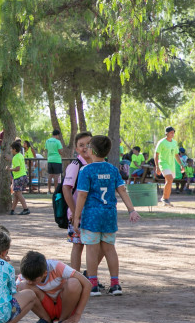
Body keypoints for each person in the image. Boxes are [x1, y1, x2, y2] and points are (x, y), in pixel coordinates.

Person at [72, 135, 140, 296]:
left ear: (93, 150)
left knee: (92, 250)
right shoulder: (112, 169)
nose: (86, 148)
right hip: (109, 214)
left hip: (91, 216)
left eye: (88, 146)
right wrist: (131, 209)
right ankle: (115, 284)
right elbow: (122, 190)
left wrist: (76, 217)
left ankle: (93, 285)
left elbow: (81, 195)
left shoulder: (86, 170)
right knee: (110, 249)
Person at [19, 250, 92, 323]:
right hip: (45, 307)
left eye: (33, 280)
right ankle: (46, 320)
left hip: (64, 306)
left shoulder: (57, 267)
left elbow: (87, 284)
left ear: (45, 273)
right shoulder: (27, 272)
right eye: (26, 278)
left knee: (74, 283)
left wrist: (78, 314)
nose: (29, 282)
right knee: (22, 286)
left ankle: (63, 321)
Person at [62, 132, 94, 276]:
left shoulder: (96, 164)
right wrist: (75, 212)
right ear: (76, 149)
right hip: (78, 215)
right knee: (78, 245)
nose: (85, 148)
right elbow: (66, 189)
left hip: (94, 213)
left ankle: (90, 274)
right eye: (81, 145)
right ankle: (75, 277)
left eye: (88, 144)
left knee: (97, 246)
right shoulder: (76, 165)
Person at [154, 126, 182, 206]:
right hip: (163, 163)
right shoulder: (162, 142)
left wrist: (181, 164)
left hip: (171, 164)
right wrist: (157, 166)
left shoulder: (174, 142)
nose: (172, 134)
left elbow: (176, 154)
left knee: (169, 181)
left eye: (173, 133)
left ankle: (166, 198)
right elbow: (156, 154)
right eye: (171, 132)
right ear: (166, 133)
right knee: (169, 179)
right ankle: (164, 198)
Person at [9, 140, 31, 215]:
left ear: (14, 149)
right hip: (23, 176)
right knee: (16, 194)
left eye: (11, 149)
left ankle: (25, 208)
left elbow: (17, 168)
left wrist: (9, 169)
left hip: (18, 177)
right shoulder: (21, 155)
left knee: (18, 194)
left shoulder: (15, 157)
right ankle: (12, 210)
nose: (11, 150)